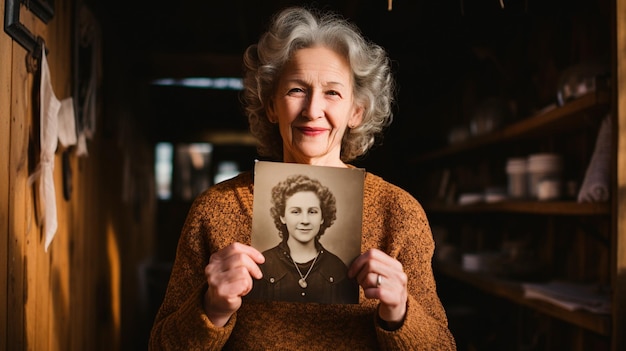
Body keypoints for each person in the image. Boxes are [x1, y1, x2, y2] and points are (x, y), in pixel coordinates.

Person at [149, 6, 457, 350]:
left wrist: (400, 312)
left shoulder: (398, 212)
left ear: (356, 111)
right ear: (271, 105)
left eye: (332, 93)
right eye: (296, 90)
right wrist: (212, 308)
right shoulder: (214, 209)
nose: (312, 110)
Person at [246, 174, 359, 304]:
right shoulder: (263, 266)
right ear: (282, 216)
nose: (305, 221)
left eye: (312, 212)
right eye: (295, 211)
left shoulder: (337, 268)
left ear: (322, 217)